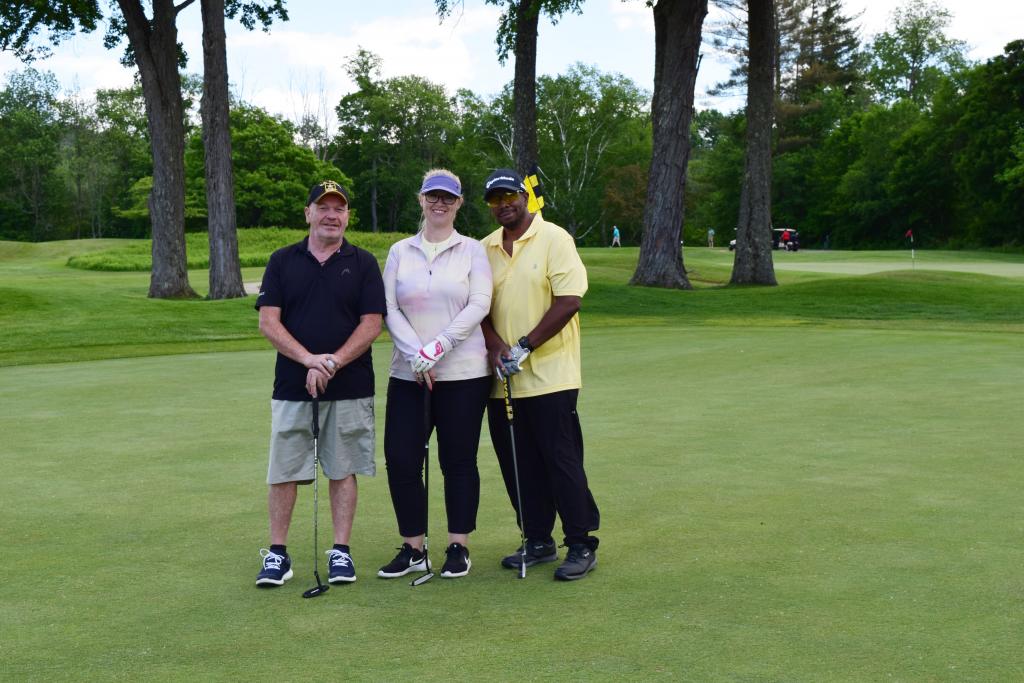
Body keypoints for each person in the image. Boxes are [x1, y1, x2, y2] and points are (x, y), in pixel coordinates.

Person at [253, 180, 385, 587]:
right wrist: (309, 359)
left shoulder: (363, 263)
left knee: (342, 469)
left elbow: (372, 324)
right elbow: (268, 321)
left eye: (339, 209)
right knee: (284, 469)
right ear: (307, 212)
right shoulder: (282, 260)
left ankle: (340, 553)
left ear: (347, 216)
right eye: (323, 207)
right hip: (293, 384)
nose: (332, 215)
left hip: (350, 385)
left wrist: (331, 362)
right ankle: (278, 554)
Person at [479, 168, 601, 581]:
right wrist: (495, 345)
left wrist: (525, 345)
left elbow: (569, 301)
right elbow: (477, 308)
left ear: (525, 196)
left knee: (561, 462)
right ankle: (537, 539)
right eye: (495, 200)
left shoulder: (555, 238)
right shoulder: (485, 249)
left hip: (552, 377)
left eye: (510, 195)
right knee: (518, 465)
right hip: (503, 381)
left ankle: (581, 542)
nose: (503, 204)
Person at [378, 169, 493, 580]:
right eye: (432, 196)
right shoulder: (399, 251)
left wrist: (437, 347)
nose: (439, 203)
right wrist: (416, 355)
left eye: (448, 198)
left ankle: (458, 545)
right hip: (408, 375)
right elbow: (388, 308)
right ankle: (413, 547)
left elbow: (479, 303)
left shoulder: (472, 250)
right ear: (421, 199)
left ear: (459, 203)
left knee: (458, 460)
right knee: (401, 459)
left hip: (463, 374)